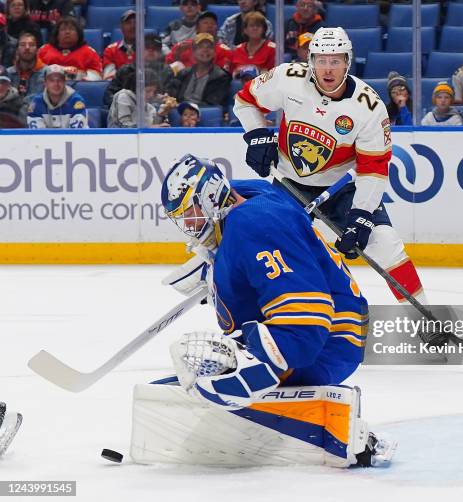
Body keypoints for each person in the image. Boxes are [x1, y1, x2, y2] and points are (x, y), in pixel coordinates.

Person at [160, 154, 394, 467]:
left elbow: (306, 314)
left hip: (326, 343)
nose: (188, 226)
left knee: (206, 374)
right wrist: (217, 263)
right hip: (323, 332)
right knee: (197, 371)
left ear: (211, 194)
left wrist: (259, 370)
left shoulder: (255, 223)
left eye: (190, 213)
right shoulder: (247, 203)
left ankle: (339, 429)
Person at [233, 26, 428, 305]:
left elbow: (373, 167)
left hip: (341, 189)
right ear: (310, 60)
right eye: (321, 60)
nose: (328, 69)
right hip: (288, 185)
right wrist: (255, 134)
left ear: (347, 62)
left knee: (385, 244)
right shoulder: (288, 78)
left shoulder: (369, 107)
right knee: (272, 251)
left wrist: (361, 214)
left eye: (335, 60)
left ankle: (431, 329)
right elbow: (245, 101)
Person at [104, 34, 174, 107]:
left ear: (160, 52)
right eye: (146, 47)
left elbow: (171, 96)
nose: (151, 50)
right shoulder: (125, 70)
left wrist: (162, 99)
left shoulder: (166, 71)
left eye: (155, 48)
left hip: (157, 111)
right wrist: (125, 103)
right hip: (128, 110)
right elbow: (108, 97)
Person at [167, 32, 231, 107]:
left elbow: (212, 103)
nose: (205, 50)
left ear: (214, 52)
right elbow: (171, 94)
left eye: (209, 47)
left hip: (204, 114)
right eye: (200, 47)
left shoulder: (221, 77)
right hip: (180, 111)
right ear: (193, 52)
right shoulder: (183, 73)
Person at [164, 10, 233, 74]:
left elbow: (224, 74)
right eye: (205, 23)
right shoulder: (182, 46)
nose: (209, 26)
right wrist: (177, 55)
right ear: (197, 28)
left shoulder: (223, 50)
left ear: (216, 29)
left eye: (213, 23)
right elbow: (168, 69)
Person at [38, 16, 102, 81]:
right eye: (63, 29)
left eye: (71, 29)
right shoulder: (44, 50)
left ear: (78, 34)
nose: (67, 32)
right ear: (57, 34)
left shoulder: (89, 52)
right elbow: (37, 74)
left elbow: (96, 77)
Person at [27, 64, 88, 128]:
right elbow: (36, 135)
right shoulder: (37, 103)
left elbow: (77, 135)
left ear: (65, 82)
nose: (56, 84)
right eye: (52, 80)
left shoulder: (75, 101)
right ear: (45, 83)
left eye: (60, 80)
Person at [229, 11, 275, 78]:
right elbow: (232, 74)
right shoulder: (237, 50)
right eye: (251, 25)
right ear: (245, 30)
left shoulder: (272, 49)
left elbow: (273, 74)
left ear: (264, 29)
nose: (255, 28)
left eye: (258, 26)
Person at [7, 31, 45, 103]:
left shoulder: (47, 73)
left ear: (37, 50)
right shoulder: (8, 73)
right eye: (22, 44)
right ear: (17, 49)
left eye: (31, 45)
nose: (27, 48)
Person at [102, 9, 136, 80]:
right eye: (128, 23)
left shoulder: (149, 48)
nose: (133, 26)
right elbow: (109, 78)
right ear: (121, 27)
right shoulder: (110, 50)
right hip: (119, 89)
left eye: (136, 23)